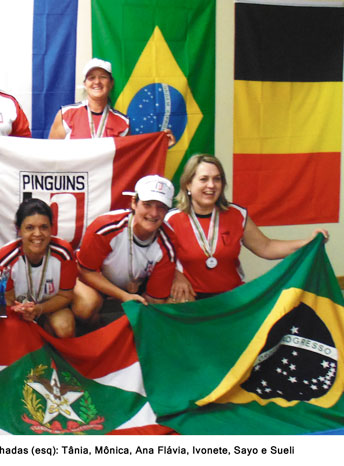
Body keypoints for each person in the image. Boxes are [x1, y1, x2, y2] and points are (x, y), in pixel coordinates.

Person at [164, 154, 329, 301]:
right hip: (191, 299)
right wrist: (175, 276)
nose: (211, 185)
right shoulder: (171, 220)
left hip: (233, 297)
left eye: (217, 179)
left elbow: (266, 247)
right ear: (188, 184)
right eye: (204, 179)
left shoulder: (236, 214)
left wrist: (307, 243)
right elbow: (158, 260)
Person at [73, 175, 176, 327]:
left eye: (161, 207)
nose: (154, 213)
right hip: (89, 279)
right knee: (86, 306)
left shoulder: (168, 241)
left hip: (132, 290)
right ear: (134, 203)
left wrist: (136, 299)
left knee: (176, 302)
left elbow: (156, 299)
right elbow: (85, 270)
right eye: (147, 204)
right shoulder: (105, 227)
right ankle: (98, 331)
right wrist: (122, 295)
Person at [0, 199, 76, 338]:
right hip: (21, 311)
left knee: (64, 327)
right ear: (19, 230)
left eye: (44, 227)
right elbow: (7, 300)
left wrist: (39, 309)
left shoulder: (63, 253)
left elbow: (66, 296)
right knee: (10, 331)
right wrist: (17, 308)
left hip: (51, 307)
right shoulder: (5, 258)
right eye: (29, 228)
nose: (37, 234)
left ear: (51, 229)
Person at [48, 58, 175, 145]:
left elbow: (130, 159)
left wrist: (160, 144)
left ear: (111, 83)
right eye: (91, 78)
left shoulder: (123, 122)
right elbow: (50, 154)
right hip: (76, 177)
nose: (97, 82)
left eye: (103, 77)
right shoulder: (66, 114)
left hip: (106, 178)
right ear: (85, 84)